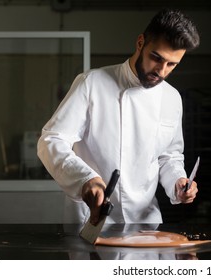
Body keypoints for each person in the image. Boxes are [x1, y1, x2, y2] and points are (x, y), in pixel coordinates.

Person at [37, 9, 200, 225]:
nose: (161, 71)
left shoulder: (171, 98)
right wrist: (86, 180)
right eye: (156, 58)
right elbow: (51, 141)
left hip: (145, 222)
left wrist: (178, 182)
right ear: (140, 43)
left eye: (172, 64)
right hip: (91, 218)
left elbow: (169, 156)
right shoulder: (91, 83)